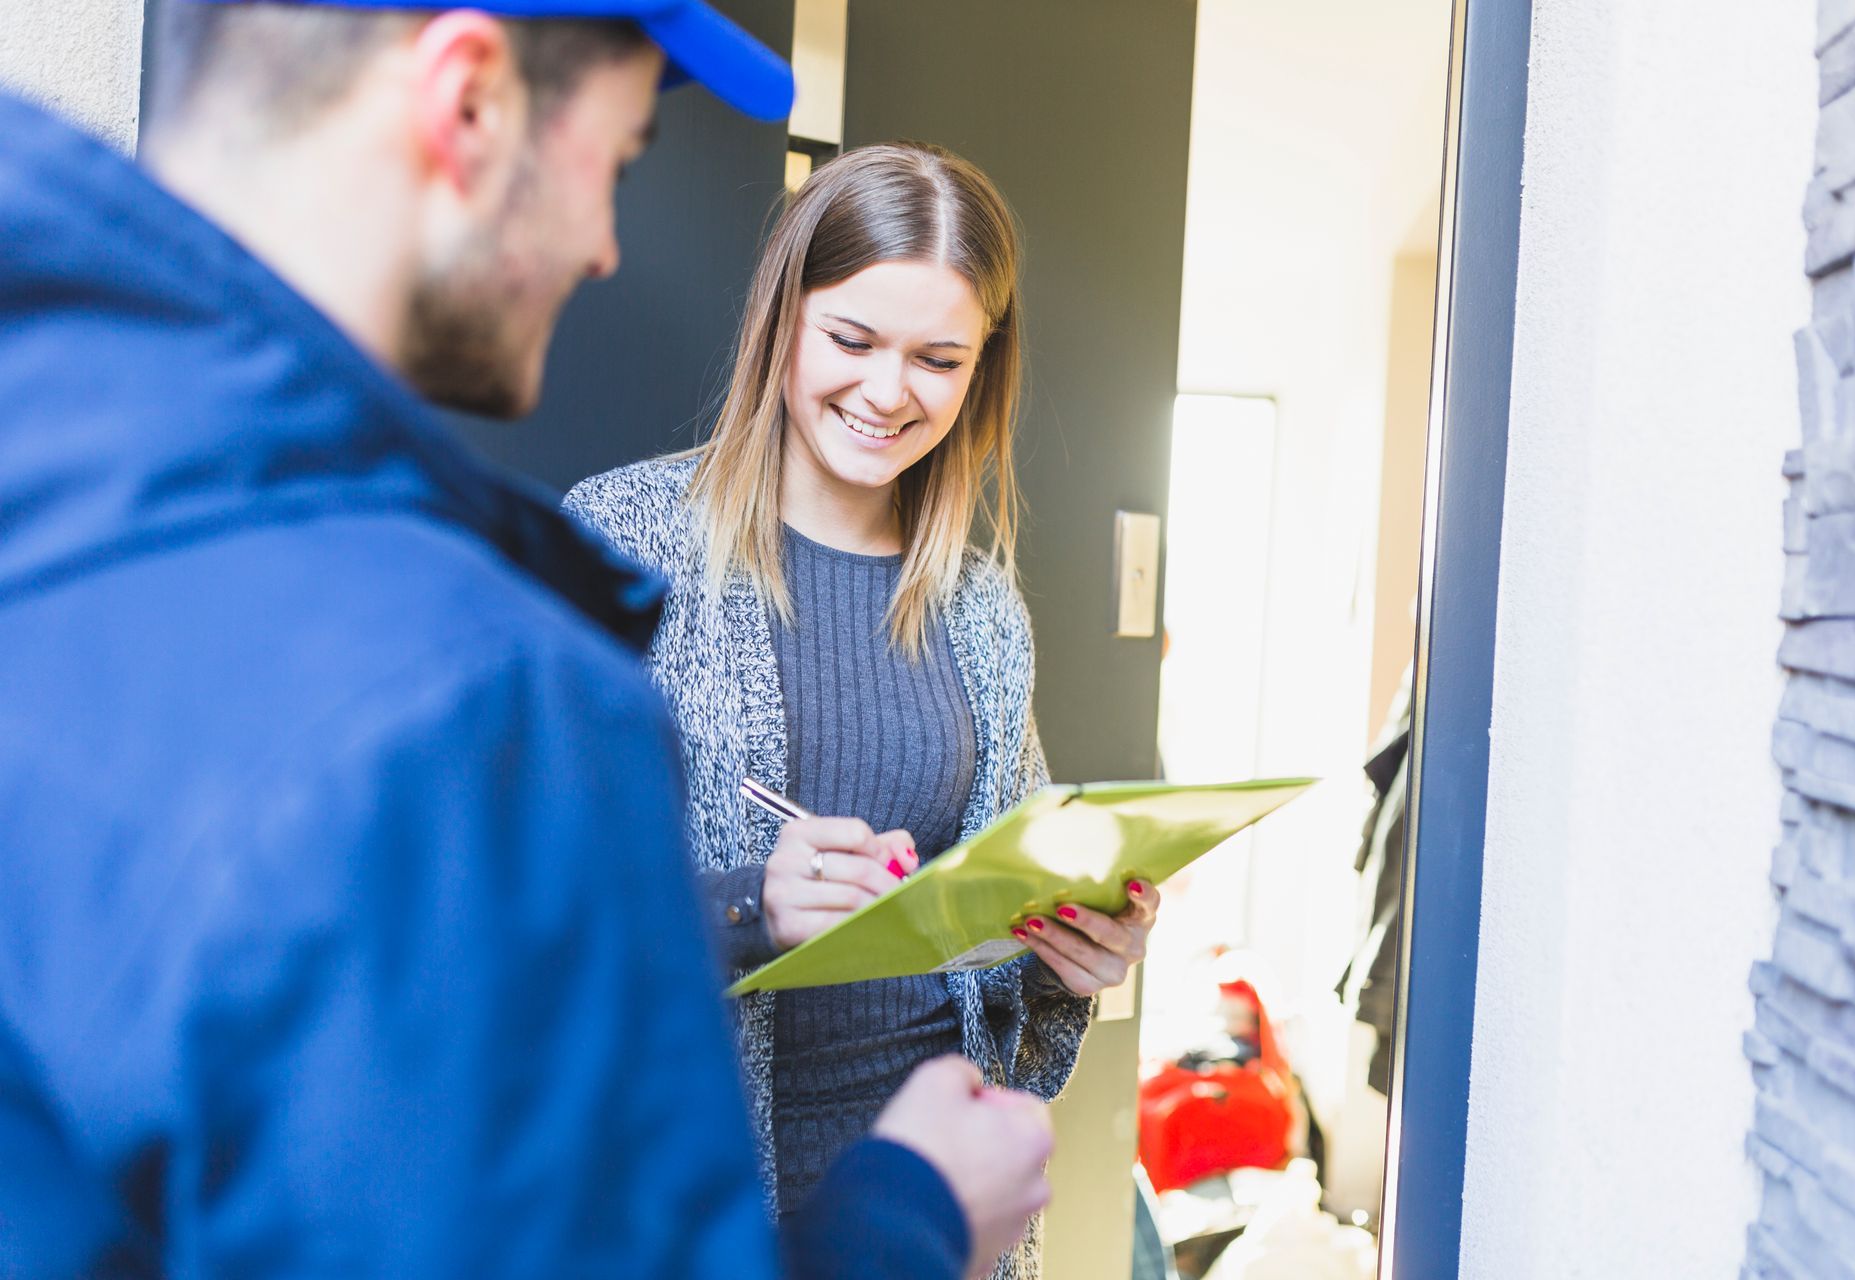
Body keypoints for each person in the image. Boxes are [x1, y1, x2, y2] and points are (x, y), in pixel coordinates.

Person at [0, 3, 1051, 1276]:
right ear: (469, 102)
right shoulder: (469, 690)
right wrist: (907, 1214)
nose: (608, 249)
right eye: (614, 160)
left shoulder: (71, 505)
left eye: (938, 356)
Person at [564, 141, 1163, 1279]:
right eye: (852, 340)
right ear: (783, 320)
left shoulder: (983, 608)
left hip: (943, 1224)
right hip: (696, 1219)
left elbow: (993, 969)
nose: (889, 393)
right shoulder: (623, 543)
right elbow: (514, 909)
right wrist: (750, 906)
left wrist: (1064, 953)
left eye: (939, 358)